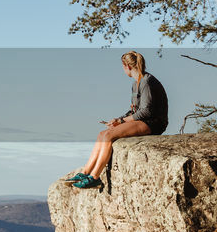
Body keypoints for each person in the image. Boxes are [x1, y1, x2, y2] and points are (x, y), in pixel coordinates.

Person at [68, 51, 168, 189]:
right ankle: (85, 172)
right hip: (143, 120)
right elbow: (134, 110)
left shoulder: (147, 81)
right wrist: (118, 119)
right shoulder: (136, 83)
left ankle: (95, 177)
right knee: (102, 134)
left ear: (126, 65)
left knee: (108, 136)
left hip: (153, 123)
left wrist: (122, 122)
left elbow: (146, 111)